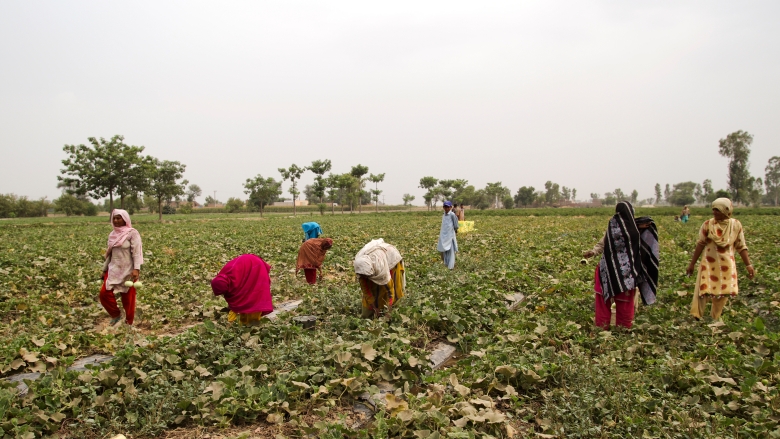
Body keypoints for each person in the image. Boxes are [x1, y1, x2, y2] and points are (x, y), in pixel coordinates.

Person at [582, 201, 659, 329]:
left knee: (603, 302)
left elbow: (602, 242)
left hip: (606, 271)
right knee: (625, 303)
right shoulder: (636, 228)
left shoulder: (613, 226)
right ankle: (623, 330)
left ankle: (602, 329)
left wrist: (594, 251)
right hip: (626, 274)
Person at [687, 198, 754, 321]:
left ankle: (715, 317)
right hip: (709, 263)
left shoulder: (735, 225)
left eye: (717, 210)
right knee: (704, 289)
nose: (714, 212)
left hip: (727, 265)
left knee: (723, 292)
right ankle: (697, 315)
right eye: (713, 209)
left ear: (726, 211)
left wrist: (748, 265)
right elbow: (700, 244)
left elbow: (741, 246)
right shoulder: (708, 224)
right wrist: (692, 264)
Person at [100, 209, 143, 326]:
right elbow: (110, 254)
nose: (116, 220)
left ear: (125, 219)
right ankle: (116, 315)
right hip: (114, 268)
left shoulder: (132, 233)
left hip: (128, 269)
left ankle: (129, 322)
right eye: (114, 218)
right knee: (104, 294)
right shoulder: (112, 234)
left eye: (118, 218)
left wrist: (136, 269)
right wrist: (104, 270)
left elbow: (136, 252)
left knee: (128, 298)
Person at [211, 254, 274, 325]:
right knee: (244, 297)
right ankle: (245, 322)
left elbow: (236, 295)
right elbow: (234, 295)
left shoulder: (232, 278)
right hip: (247, 265)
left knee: (254, 295)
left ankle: (252, 322)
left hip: (256, 267)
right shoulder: (225, 275)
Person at [353, 239, 405, 318]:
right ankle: (376, 310)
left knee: (394, 287)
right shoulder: (361, 268)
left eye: (366, 276)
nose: (365, 277)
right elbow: (366, 290)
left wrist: (388, 310)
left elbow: (390, 291)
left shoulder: (380, 268)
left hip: (391, 260)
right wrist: (374, 307)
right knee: (373, 289)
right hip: (374, 260)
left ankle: (392, 311)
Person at [438, 201, 459, 269]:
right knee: (443, 250)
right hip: (444, 236)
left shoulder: (452, 215)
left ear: (450, 207)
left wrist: (455, 231)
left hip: (450, 236)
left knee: (450, 251)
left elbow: (456, 225)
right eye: (445, 207)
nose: (446, 208)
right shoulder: (443, 215)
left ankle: (451, 266)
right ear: (443, 207)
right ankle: (446, 264)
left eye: (448, 207)